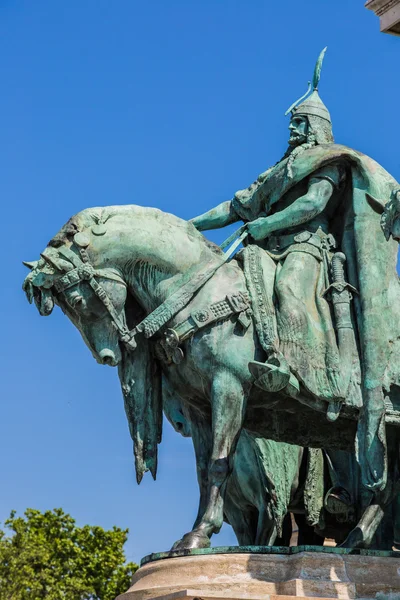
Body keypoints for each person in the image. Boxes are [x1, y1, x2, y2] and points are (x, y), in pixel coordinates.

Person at [191, 48, 400, 506]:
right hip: (267, 248)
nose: (292, 128)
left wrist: (266, 225)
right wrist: (189, 227)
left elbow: (312, 207)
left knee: (288, 290)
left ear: (316, 127)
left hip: (309, 249)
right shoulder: (278, 169)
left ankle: (306, 372)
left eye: (300, 122)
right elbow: (236, 206)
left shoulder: (325, 159)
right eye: (293, 122)